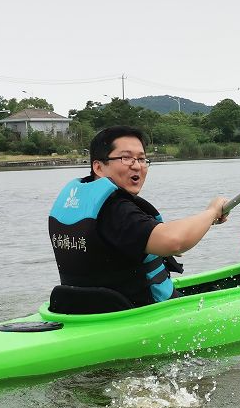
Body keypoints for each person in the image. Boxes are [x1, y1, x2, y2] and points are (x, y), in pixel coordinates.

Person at [48, 125, 229, 307]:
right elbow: (174, 242)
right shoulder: (117, 210)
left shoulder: (80, 204)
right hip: (140, 311)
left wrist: (203, 223)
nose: (136, 166)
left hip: (85, 309)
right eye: (126, 158)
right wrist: (212, 212)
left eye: (141, 159)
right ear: (98, 167)